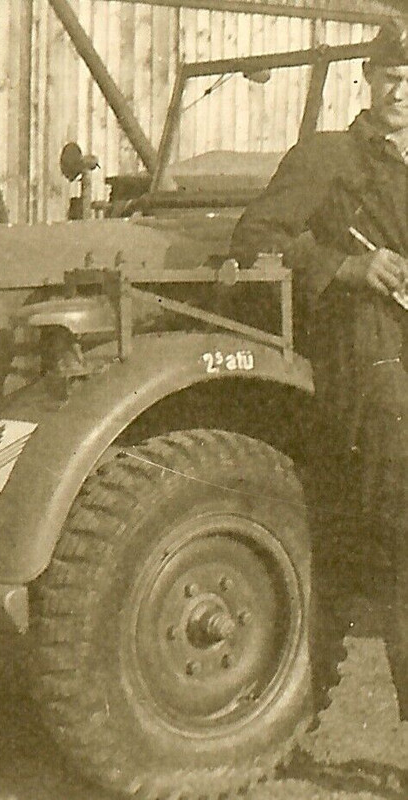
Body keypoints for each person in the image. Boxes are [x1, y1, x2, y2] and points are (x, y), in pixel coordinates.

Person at [230, 19, 408, 721]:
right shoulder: (327, 157)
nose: (400, 90)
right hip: (368, 355)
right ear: (367, 80)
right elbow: (255, 239)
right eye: (388, 75)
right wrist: (349, 266)